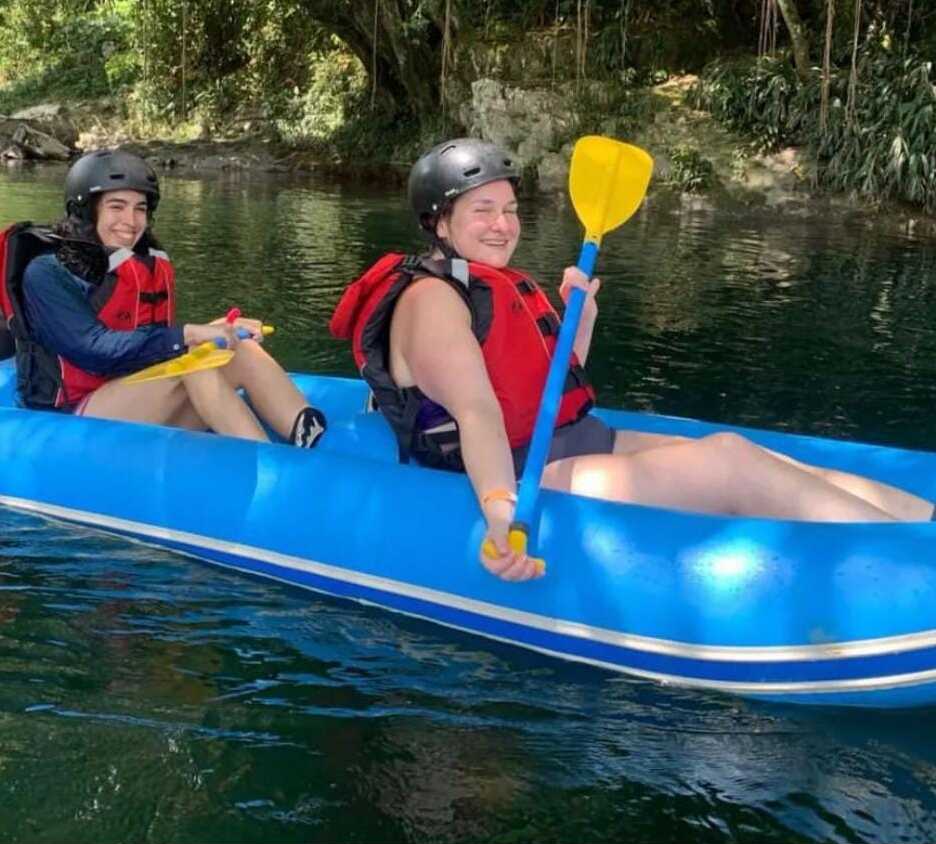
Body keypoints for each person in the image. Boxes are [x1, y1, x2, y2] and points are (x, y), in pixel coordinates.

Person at [330, 137, 934, 582]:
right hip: (507, 470)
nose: (503, 224)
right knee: (728, 463)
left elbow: (544, 389)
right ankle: (914, 562)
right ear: (438, 221)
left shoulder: (498, 281)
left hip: (567, 440)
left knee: (764, 458)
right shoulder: (432, 299)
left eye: (510, 209)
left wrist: (580, 321)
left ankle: (924, 523)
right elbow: (479, 414)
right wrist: (498, 513)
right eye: (482, 210)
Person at [1, 148, 325, 447]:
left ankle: (310, 437)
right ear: (85, 210)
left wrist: (223, 332)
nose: (130, 221)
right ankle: (270, 465)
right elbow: (94, 350)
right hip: (76, 414)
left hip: (138, 391)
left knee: (234, 344)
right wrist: (189, 334)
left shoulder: (140, 261)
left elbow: (152, 345)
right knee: (194, 364)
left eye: (139, 208)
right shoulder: (46, 273)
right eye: (117, 206)